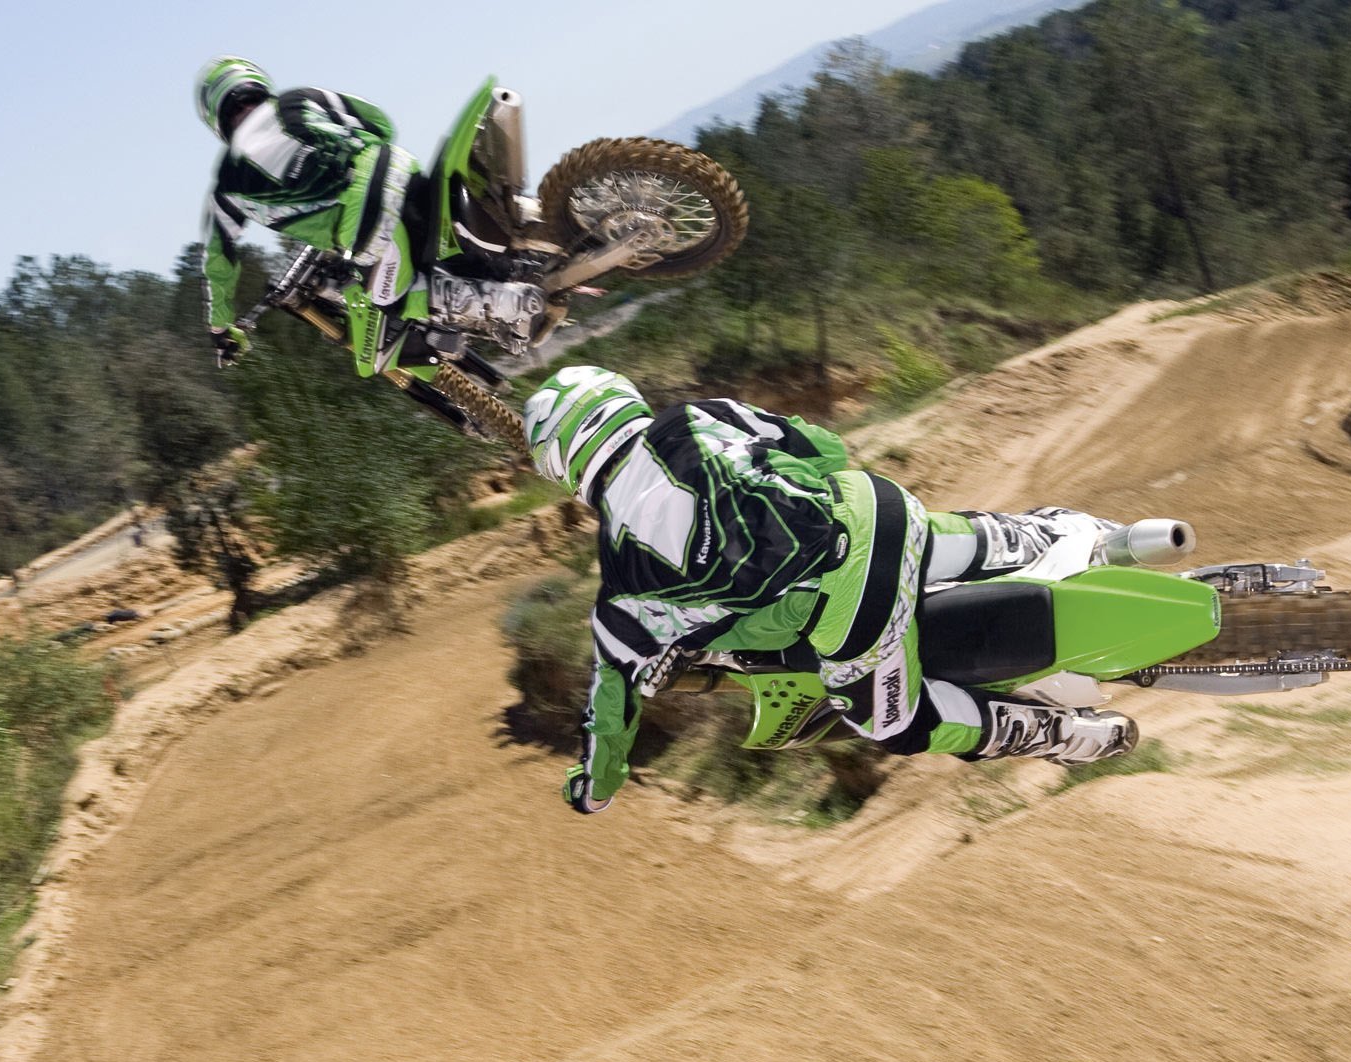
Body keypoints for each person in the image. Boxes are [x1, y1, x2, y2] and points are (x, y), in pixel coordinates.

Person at [523, 364, 1141, 815]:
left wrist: (597, 785)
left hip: (844, 606)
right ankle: (1091, 536)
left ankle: (1058, 735)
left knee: (894, 722)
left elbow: (612, 708)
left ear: (561, 467)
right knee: (952, 536)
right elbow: (826, 448)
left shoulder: (622, 589)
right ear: (621, 399)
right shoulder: (699, 416)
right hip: (878, 511)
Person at [195, 57, 545, 375]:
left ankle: (510, 302)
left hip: (365, 220)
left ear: (216, 118)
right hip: (398, 166)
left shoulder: (227, 184)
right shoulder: (300, 98)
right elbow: (378, 120)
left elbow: (218, 264)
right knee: (442, 237)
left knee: (392, 299)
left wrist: (220, 329)